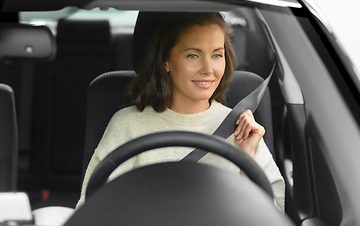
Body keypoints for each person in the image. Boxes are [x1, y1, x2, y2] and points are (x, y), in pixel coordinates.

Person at [76, 12, 285, 211]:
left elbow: (270, 217)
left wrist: (246, 156)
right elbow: (92, 210)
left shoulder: (241, 127)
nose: (208, 68)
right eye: (193, 55)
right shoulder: (127, 125)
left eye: (216, 55)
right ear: (166, 61)